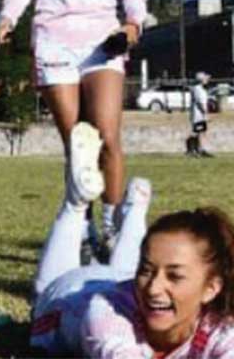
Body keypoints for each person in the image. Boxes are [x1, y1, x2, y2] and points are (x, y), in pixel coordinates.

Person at [0, 0, 149, 258]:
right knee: (78, 146)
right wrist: (5, 21)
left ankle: (114, 228)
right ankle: (83, 230)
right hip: (53, 45)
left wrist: (132, 24)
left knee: (107, 137)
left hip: (102, 44)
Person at [30, 124, 234, 357]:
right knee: (42, 293)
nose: (154, 288)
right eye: (145, 270)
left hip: (121, 279)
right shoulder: (105, 315)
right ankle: (76, 203)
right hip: (67, 292)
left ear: (211, 289)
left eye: (175, 276)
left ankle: (135, 208)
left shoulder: (220, 329)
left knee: (129, 272)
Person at [190, 72, 213, 158]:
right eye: (205, 78)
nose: (207, 80)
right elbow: (200, 103)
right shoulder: (197, 89)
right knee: (198, 133)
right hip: (198, 116)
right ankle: (196, 151)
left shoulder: (203, 89)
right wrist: (205, 114)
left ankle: (202, 150)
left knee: (203, 132)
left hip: (202, 115)